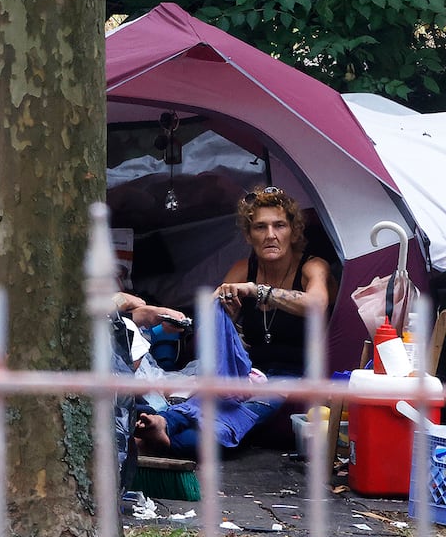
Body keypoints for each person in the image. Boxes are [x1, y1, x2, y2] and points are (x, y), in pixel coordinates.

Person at [132, 185, 334, 456]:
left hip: (293, 374)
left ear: (294, 231)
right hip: (250, 370)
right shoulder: (243, 268)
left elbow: (317, 305)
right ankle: (163, 424)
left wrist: (257, 290)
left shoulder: (312, 266)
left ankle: (160, 442)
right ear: (249, 235)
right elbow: (204, 342)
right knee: (203, 402)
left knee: (236, 417)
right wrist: (225, 315)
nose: (270, 235)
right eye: (260, 227)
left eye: (280, 226)